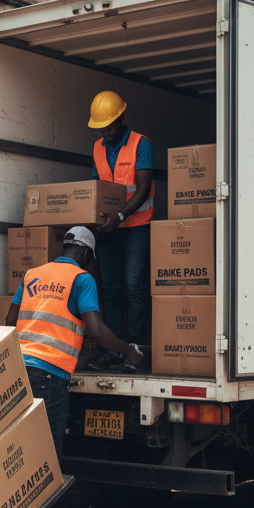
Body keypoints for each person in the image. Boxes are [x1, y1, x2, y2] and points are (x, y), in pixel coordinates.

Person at [5, 226, 142, 508]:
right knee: (46, 465)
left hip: (21, 374)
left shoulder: (33, 275)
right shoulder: (82, 280)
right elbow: (95, 329)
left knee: (25, 465)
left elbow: (10, 322)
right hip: (49, 380)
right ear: (87, 255)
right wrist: (128, 350)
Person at [86, 90, 155, 371]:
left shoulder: (141, 143)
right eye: (101, 127)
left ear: (122, 118)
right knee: (111, 290)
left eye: (110, 126)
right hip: (109, 231)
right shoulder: (98, 146)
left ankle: (135, 349)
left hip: (136, 227)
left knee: (133, 288)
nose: (106, 132)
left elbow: (142, 190)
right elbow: (96, 189)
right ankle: (115, 350)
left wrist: (119, 215)